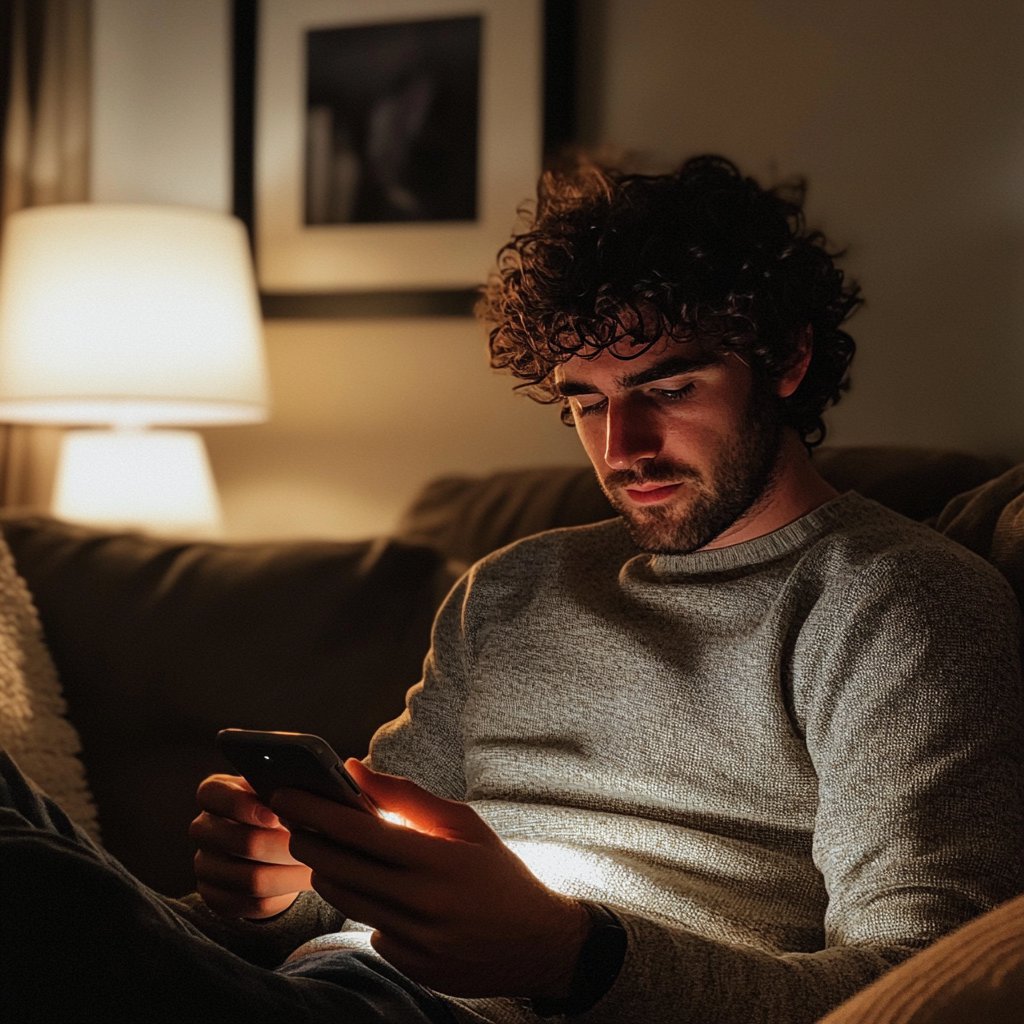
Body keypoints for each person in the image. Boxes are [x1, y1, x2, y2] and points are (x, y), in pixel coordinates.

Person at [2, 155, 1022, 1024]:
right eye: (585, 401)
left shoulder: (901, 604)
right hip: (324, 982)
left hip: (464, 1011)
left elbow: (912, 985)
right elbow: (357, 892)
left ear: (787, 360)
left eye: (667, 388)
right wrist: (276, 892)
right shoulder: (518, 584)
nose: (623, 447)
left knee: (38, 895)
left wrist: (572, 955)